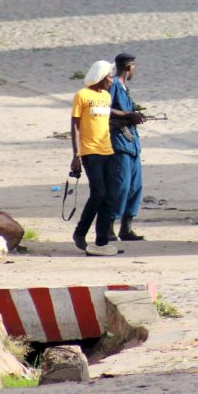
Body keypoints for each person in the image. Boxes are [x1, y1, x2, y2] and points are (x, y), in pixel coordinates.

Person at [70, 60, 119, 257]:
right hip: (90, 152)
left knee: (109, 196)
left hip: (108, 150)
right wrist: (76, 155)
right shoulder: (82, 95)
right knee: (98, 193)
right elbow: (74, 125)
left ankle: (102, 241)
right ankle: (80, 232)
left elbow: (105, 120)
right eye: (109, 77)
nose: (111, 80)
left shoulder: (106, 96)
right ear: (100, 76)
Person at [109, 53, 147, 241]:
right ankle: (109, 227)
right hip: (119, 142)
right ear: (129, 67)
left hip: (132, 143)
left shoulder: (124, 88)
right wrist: (126, 115)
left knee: (135, 186)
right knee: (120, 186)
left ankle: (126, 228)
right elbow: (103, 109)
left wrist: (135, 114)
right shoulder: (113, 85)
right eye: (134, 68)